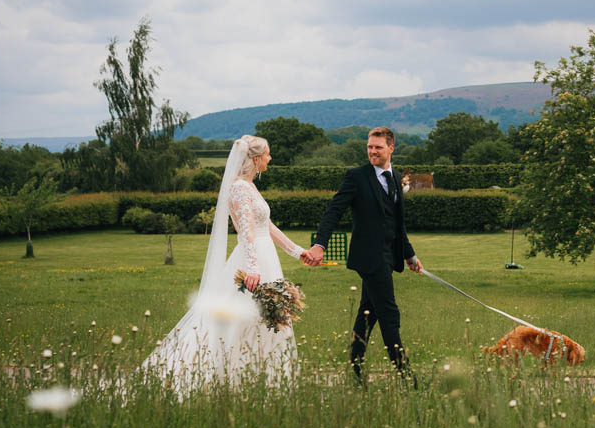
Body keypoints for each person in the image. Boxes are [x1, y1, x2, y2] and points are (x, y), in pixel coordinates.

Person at [142, 135, 308, 390]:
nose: (270, 158)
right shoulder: (240, 188)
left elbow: (267, 226)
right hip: (254, 260)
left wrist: (297, 252)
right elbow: (247, 232)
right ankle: (232, 375)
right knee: (245, 317)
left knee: (266, 317)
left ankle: (262, 374)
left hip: (265, 257)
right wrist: (253, 268)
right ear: (255, 159)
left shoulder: (250, 186)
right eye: (267, 154)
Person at [305, 126, 422, 384]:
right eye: (369, 146)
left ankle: (355, 368)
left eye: (378, 147)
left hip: (389, 256)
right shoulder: (356, 177)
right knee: (389, 313)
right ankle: (407, 376)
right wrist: (320, 244)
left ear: (391, 148)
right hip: (369, 258)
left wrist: (409, 255)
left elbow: (397, 223)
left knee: (368, 313)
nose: (372, 151)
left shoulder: (396, 177)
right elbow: (333, 211)